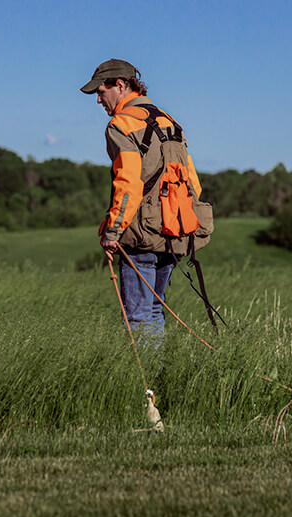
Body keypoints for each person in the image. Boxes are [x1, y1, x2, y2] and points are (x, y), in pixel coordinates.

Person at [81, 58, 205, 340]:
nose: (99, 100)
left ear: (121, 85)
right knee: (154, 313)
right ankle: (155, 379)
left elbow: (128, 182)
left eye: (101, 92)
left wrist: (113, 230)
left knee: (137, 317)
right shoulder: (170, 122)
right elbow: (192, 183)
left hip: (140, 236)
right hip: (173, 235)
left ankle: (144, 381)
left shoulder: (121, 125)